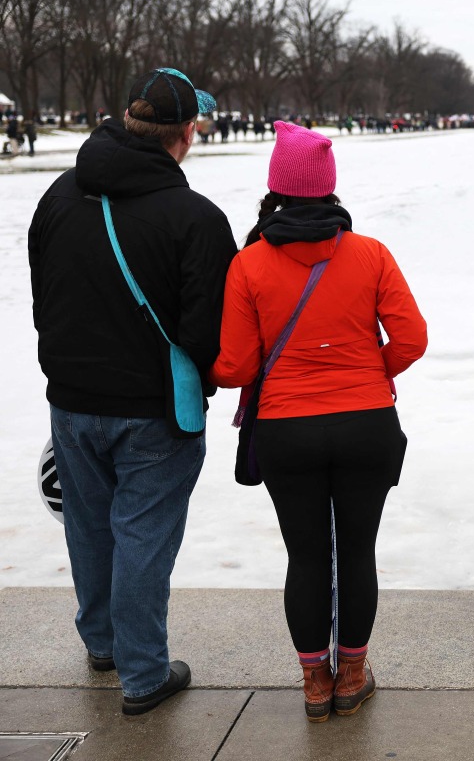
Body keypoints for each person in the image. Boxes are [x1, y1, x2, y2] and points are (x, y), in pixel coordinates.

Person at [28, 67, 237, 715]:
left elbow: (41, 291)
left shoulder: (58, 195)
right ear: (187, 133)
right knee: (143, 535)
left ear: (128, 118)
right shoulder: (196, 218)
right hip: (154, 408)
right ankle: (143, 673)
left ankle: (103, 643)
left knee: (89, 526)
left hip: (70, 397)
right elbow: (208, 330)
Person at [209, 121, 427, 721]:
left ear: (276, 188)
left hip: (287, 429)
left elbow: (236, 366)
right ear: (330, 186)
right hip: (367, 423)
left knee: (305, 557)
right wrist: (370, 372)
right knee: (357, 551)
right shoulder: (371, 254)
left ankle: (314, 683)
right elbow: (412, 338)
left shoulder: (249, 263)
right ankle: (352, 673)